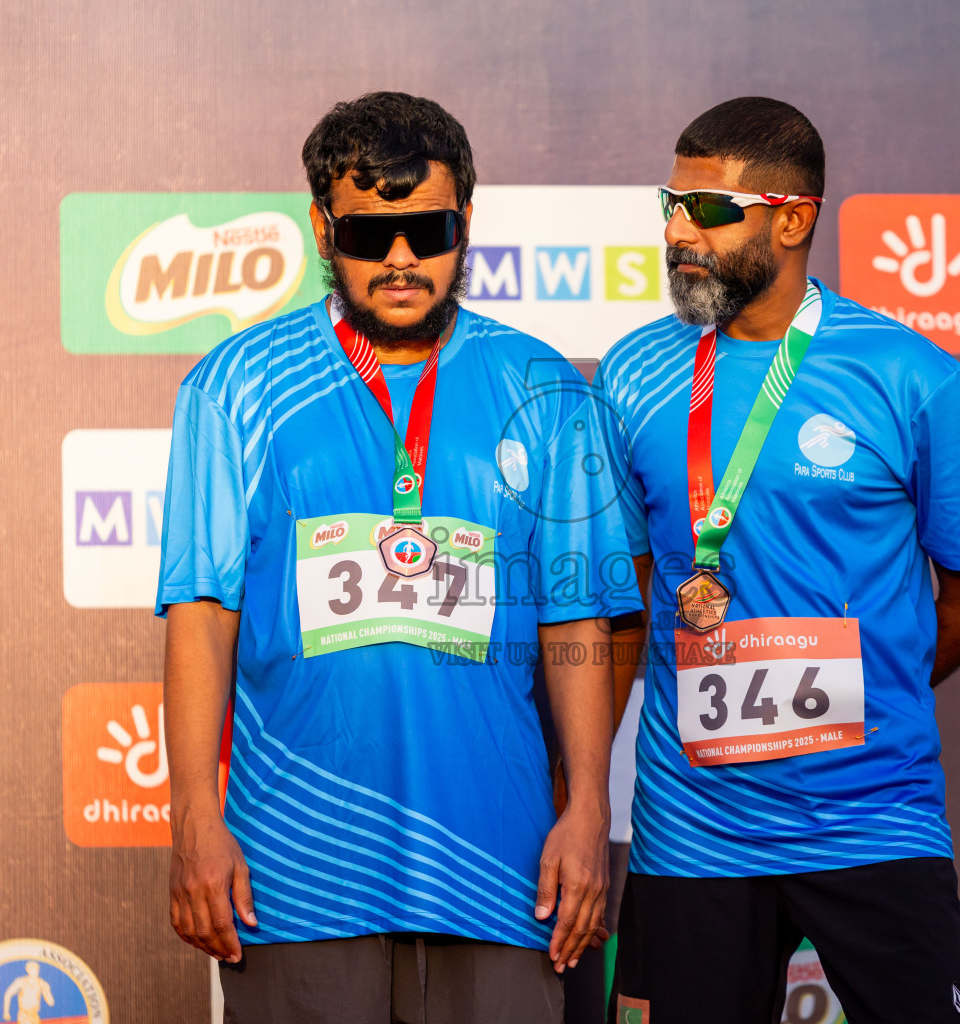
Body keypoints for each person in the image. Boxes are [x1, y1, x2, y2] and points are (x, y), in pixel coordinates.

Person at [158, 91, 639, 1024]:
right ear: (321, 228)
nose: (402, 259)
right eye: (370, 236)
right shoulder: (234, 387)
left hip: (498, 873)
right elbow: (202, 615)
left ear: (468, 221)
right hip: (294, 878)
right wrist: (192, 817)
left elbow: (577, 619)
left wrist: (587, 810)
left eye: (430, 228)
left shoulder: (546, 388)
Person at [600, 97, 960, 1024]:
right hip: (692, 833)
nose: (677, 232)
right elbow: (626, 594)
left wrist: (869, 692)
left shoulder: (912, 376)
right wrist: (580, 786)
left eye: (707, 211)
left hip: (873, 820)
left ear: (793, 218)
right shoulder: (632, 373)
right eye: (671, 204)